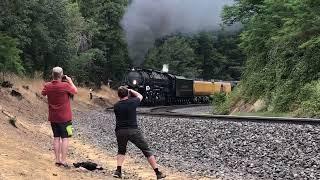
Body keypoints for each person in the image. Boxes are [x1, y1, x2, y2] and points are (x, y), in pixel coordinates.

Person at [113, 86, 166, 179]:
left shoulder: (116, 105)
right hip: (133, 130)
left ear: (118, 95)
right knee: (146, 150)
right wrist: (131, 90)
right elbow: (140, 96)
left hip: (120, 131)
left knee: (121, 151)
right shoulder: (133, 102)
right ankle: (158, 173)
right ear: (127, 94)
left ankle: (118, 171)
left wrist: (127, 92)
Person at [41, 67, 78, 168]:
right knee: (65, 138)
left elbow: (43, 94)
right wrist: (70, 81)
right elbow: (75, 91)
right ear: (61, 75)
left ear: (52, 75)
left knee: (56, 138)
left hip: (53, 116)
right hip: (65, 117)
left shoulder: (47, 85)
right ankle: (63, 160)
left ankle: (57, 160)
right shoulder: (65, 85)